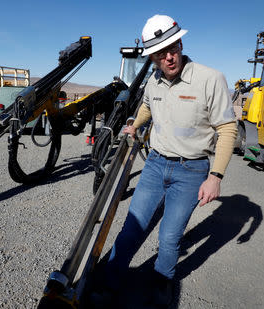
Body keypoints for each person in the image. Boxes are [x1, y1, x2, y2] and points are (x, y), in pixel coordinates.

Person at [101, 14, 238, 307]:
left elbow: (227, 128)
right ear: (152, 57)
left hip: (192, 171)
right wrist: (135, 125)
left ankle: (162, 282)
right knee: (132, 227)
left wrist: (216, 176)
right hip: (154, 165)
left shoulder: (210, 79)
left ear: (180, 42)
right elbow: (148, 107)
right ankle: (108, 280)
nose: (169, 57)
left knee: (170, 237)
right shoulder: (154, 81)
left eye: (173, 47)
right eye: (161, 53)